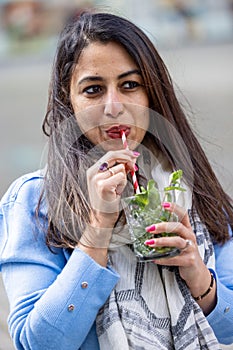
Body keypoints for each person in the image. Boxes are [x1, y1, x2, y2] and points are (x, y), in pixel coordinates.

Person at [0, 11, 233, 350]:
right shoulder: (33, 200)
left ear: (153, 94)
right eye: (93, 90)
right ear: (69, 103)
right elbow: (38, 343)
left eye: (129, 85)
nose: (113, 106)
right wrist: (98, 229)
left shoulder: (191, 191)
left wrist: (199, 276)